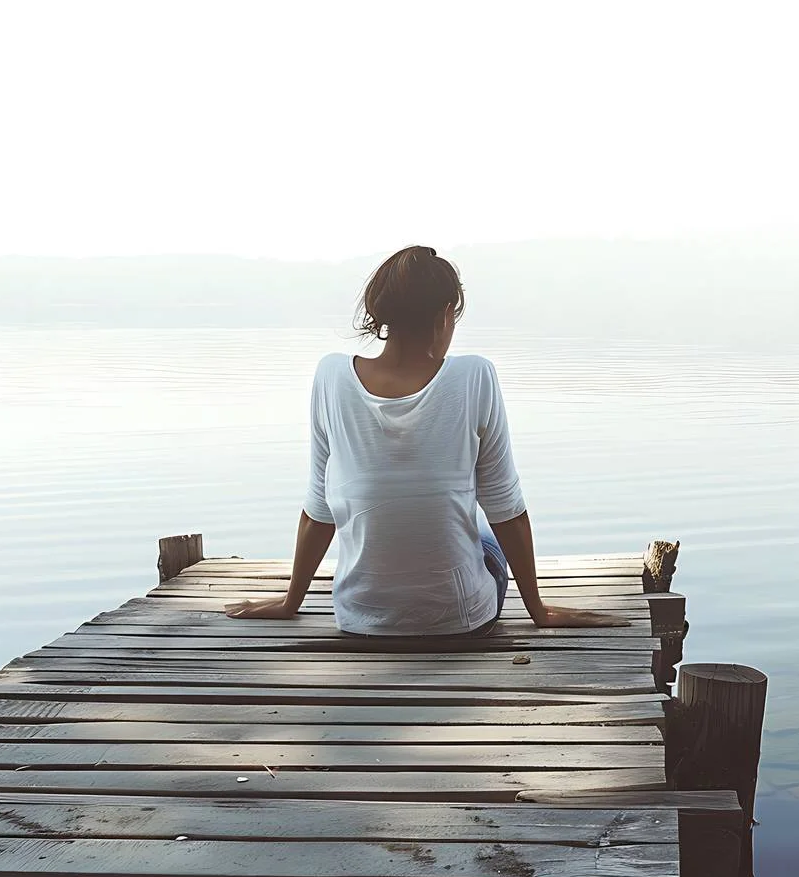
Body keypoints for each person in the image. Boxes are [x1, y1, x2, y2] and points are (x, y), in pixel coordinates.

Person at [224, 246, 628, 634]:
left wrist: (290, 602)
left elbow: (319, 506)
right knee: (484, 532)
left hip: (359, 618)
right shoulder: (474, 376)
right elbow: (505, 508)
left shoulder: (331, 376)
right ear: (444, 315)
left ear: (380, 313)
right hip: (461, 620)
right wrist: (538, 611)